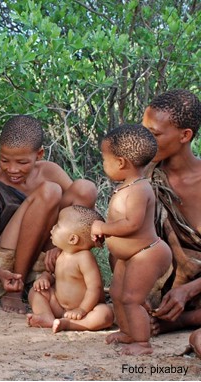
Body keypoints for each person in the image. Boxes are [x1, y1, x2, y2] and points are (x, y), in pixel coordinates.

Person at [0, 115, 97, 314]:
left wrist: (61, 247)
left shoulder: (50, 171)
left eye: (22, 162)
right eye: (4, 160)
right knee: (50, 191)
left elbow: (78, 215)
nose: (12, 169)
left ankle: (58, 272)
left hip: (43, 255)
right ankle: (16, 289)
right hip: (4, 263)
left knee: (85, 188)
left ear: (39, 154)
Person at [92, 123, 172, 355]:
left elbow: (132, 224)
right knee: (117, 294)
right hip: (129, 256)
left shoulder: (139, 189)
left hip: (147, 253)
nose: (103, 163)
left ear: (120, 163)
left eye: (105, 159)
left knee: (131, 298)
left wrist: (103, 227)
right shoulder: (126, 186)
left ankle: (142, 343)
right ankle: (128, 332)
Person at [142, 89, 201, 358]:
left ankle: (181, 321)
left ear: (185, 135)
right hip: (165, 287)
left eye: (153, 135)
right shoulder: (144, 178)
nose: (145, 141)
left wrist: (188, 290)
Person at [27, 205, 114, 333]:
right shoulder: (59, 254)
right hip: (59, 305)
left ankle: (70, 324)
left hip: (86, 310)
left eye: (57, 225)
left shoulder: (85, 258)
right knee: (35, 292)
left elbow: (95, 287)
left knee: (105, 314)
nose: (53, 228)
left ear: (72, 239)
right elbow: (52, 274)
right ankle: (46, 315)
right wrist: (44, 278)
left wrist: (82, 309)